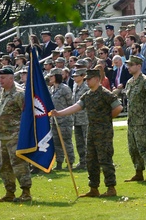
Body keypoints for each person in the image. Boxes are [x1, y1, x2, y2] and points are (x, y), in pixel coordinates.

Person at [52, 68, 123, 197]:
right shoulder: (88, 95)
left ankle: (111, 188)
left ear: (97, 79)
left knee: (105, 159)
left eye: (89, 79)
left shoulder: (105, 94)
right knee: (91, 160)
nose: (87, 81)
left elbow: (118, 107)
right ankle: (94, 188)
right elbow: (76, 107)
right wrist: (59, 113)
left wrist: (106, 119)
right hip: (92, 131)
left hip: (104, 132)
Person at [0, 67, 32, 202]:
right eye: (0, 78)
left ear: (11, 78)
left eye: (3, 78)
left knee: (19, 164)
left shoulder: (19, 94)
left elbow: (28, 114)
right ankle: (9, 192)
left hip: (16, 135)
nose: (0, 80)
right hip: (3, 136)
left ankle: (26, 192)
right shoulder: (1, 93)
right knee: (4, 166)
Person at [121, 55, 146, 182]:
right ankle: (138, 171)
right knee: (133, 148)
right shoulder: (130, 82)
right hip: (132, 120)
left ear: (138, 66)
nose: (128, 67)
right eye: (128, 65)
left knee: (145, 147)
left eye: (131, 65)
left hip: (143, 121)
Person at [45, 69, 75, 172]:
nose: (50, 78)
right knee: (56, 143)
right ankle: (59, 163)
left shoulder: (65, 89)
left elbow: (71, 103)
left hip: (65, 120)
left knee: (66, 142)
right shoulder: (51, 89)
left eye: (52, 76)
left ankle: (70, 162)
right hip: (54, 121)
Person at [71, 68, 90, 170]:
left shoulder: (86, 87)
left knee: (87, 141)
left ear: (83, 76)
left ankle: (89, 162)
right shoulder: (75, 87)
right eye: (73, 76)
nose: (74, 77)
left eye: (76, 76)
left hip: (85, 118)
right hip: (76, 118)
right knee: (79, 142)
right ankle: (82, 161)